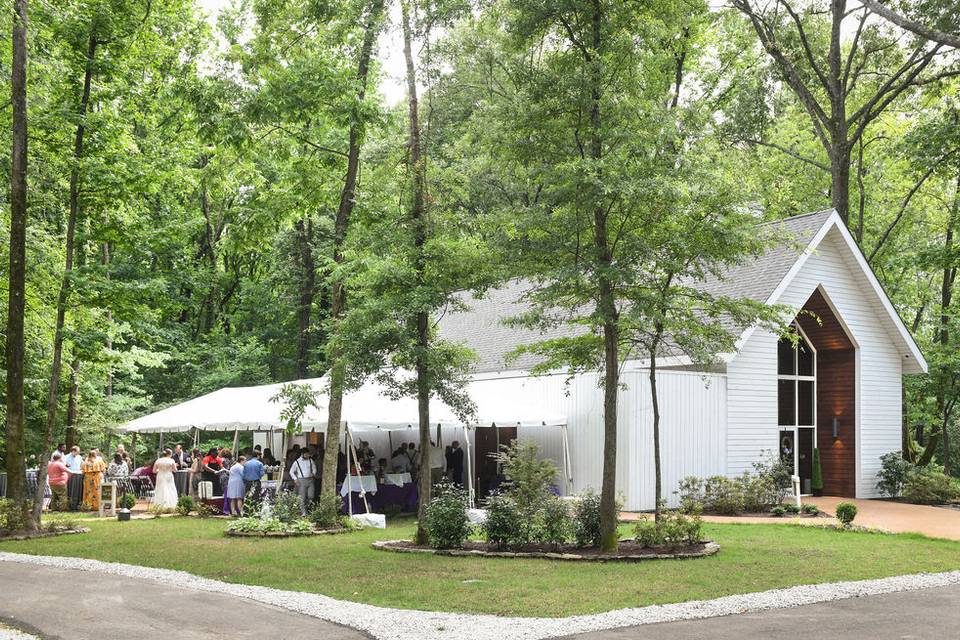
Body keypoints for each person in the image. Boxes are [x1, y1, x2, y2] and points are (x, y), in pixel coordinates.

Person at [289, 449, 316, 515]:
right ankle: (303, 512)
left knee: (311, 496)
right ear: (302, 454)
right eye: (306, 454)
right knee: (302, 497)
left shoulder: (310, 460)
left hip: (310, 480)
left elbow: (314, 468)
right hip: (301, 480)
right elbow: (291, 471)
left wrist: (313, 473)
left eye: (308, 454)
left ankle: (307, 508)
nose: (307, 455)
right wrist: (295, 479)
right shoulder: (297, 462)